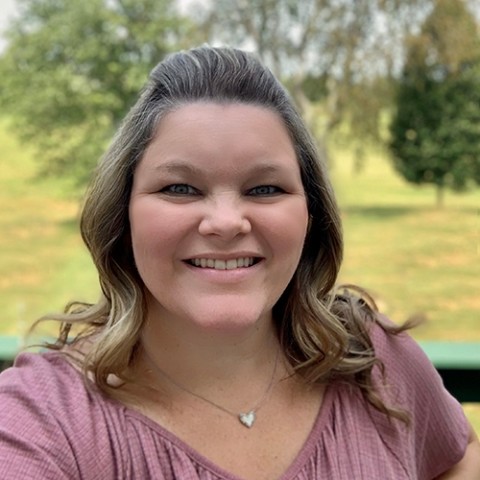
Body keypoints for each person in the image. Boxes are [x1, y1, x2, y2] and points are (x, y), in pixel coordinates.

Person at [0, 46, 478, 480]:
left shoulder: (373, 359)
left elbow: (458, 458)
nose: (226, 223)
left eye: (265, 188)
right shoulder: (46, 418)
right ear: (123, 214)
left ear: (310, 215)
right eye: (180, 188)